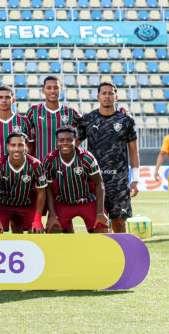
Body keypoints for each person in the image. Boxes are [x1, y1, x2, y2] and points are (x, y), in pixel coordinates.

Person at [76, 82, 139, 233]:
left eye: (110, 93)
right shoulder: (88, 119)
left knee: (119, 224)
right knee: (99, 225)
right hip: (95, 181)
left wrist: (136, 179)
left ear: (116, 97)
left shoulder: (126, 120)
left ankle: (121, 249)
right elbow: (73, 147)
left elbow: (133, 151)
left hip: (119, 181)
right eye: (103, 93)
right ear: (98, 97)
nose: (107, 96)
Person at [44, 126, 109, 233]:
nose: (65, 143)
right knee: (53, 229)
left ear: (75, 141)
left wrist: (100, 213)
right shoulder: (50, 160)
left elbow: (99, 183)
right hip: (64, 202)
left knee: (102, 229)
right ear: (56, 142)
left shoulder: (86, 158)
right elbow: (48, 189)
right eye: (61, 140)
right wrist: (52, 214)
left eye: (69, 140)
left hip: (87, 201)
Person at [0, 132, 47, 233]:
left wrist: (37, 220)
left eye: (20, 145)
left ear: (26, 146)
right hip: (4, 204)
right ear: (7, 146)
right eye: (13, 145)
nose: (16, 149)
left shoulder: (35, 165)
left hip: (27, 203)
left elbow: (41, 193)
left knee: (36, 231)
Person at [25, 76, 82, 161]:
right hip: (40, 162)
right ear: (43, 90)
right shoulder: (33, 111)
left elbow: (85, 127)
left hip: (63, 163)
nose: (52, 91)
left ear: (61, 90)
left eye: (56, 88)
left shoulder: (70, 112)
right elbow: (25, 135)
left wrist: (74, 145)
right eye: (49, 88)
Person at [0, 85, 33, 162]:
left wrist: (22, 162)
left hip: (18, 167)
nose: (4, 100)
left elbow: (30, 146)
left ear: (13, 100)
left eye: (7, 97)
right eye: (0, 97)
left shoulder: (24, 121)